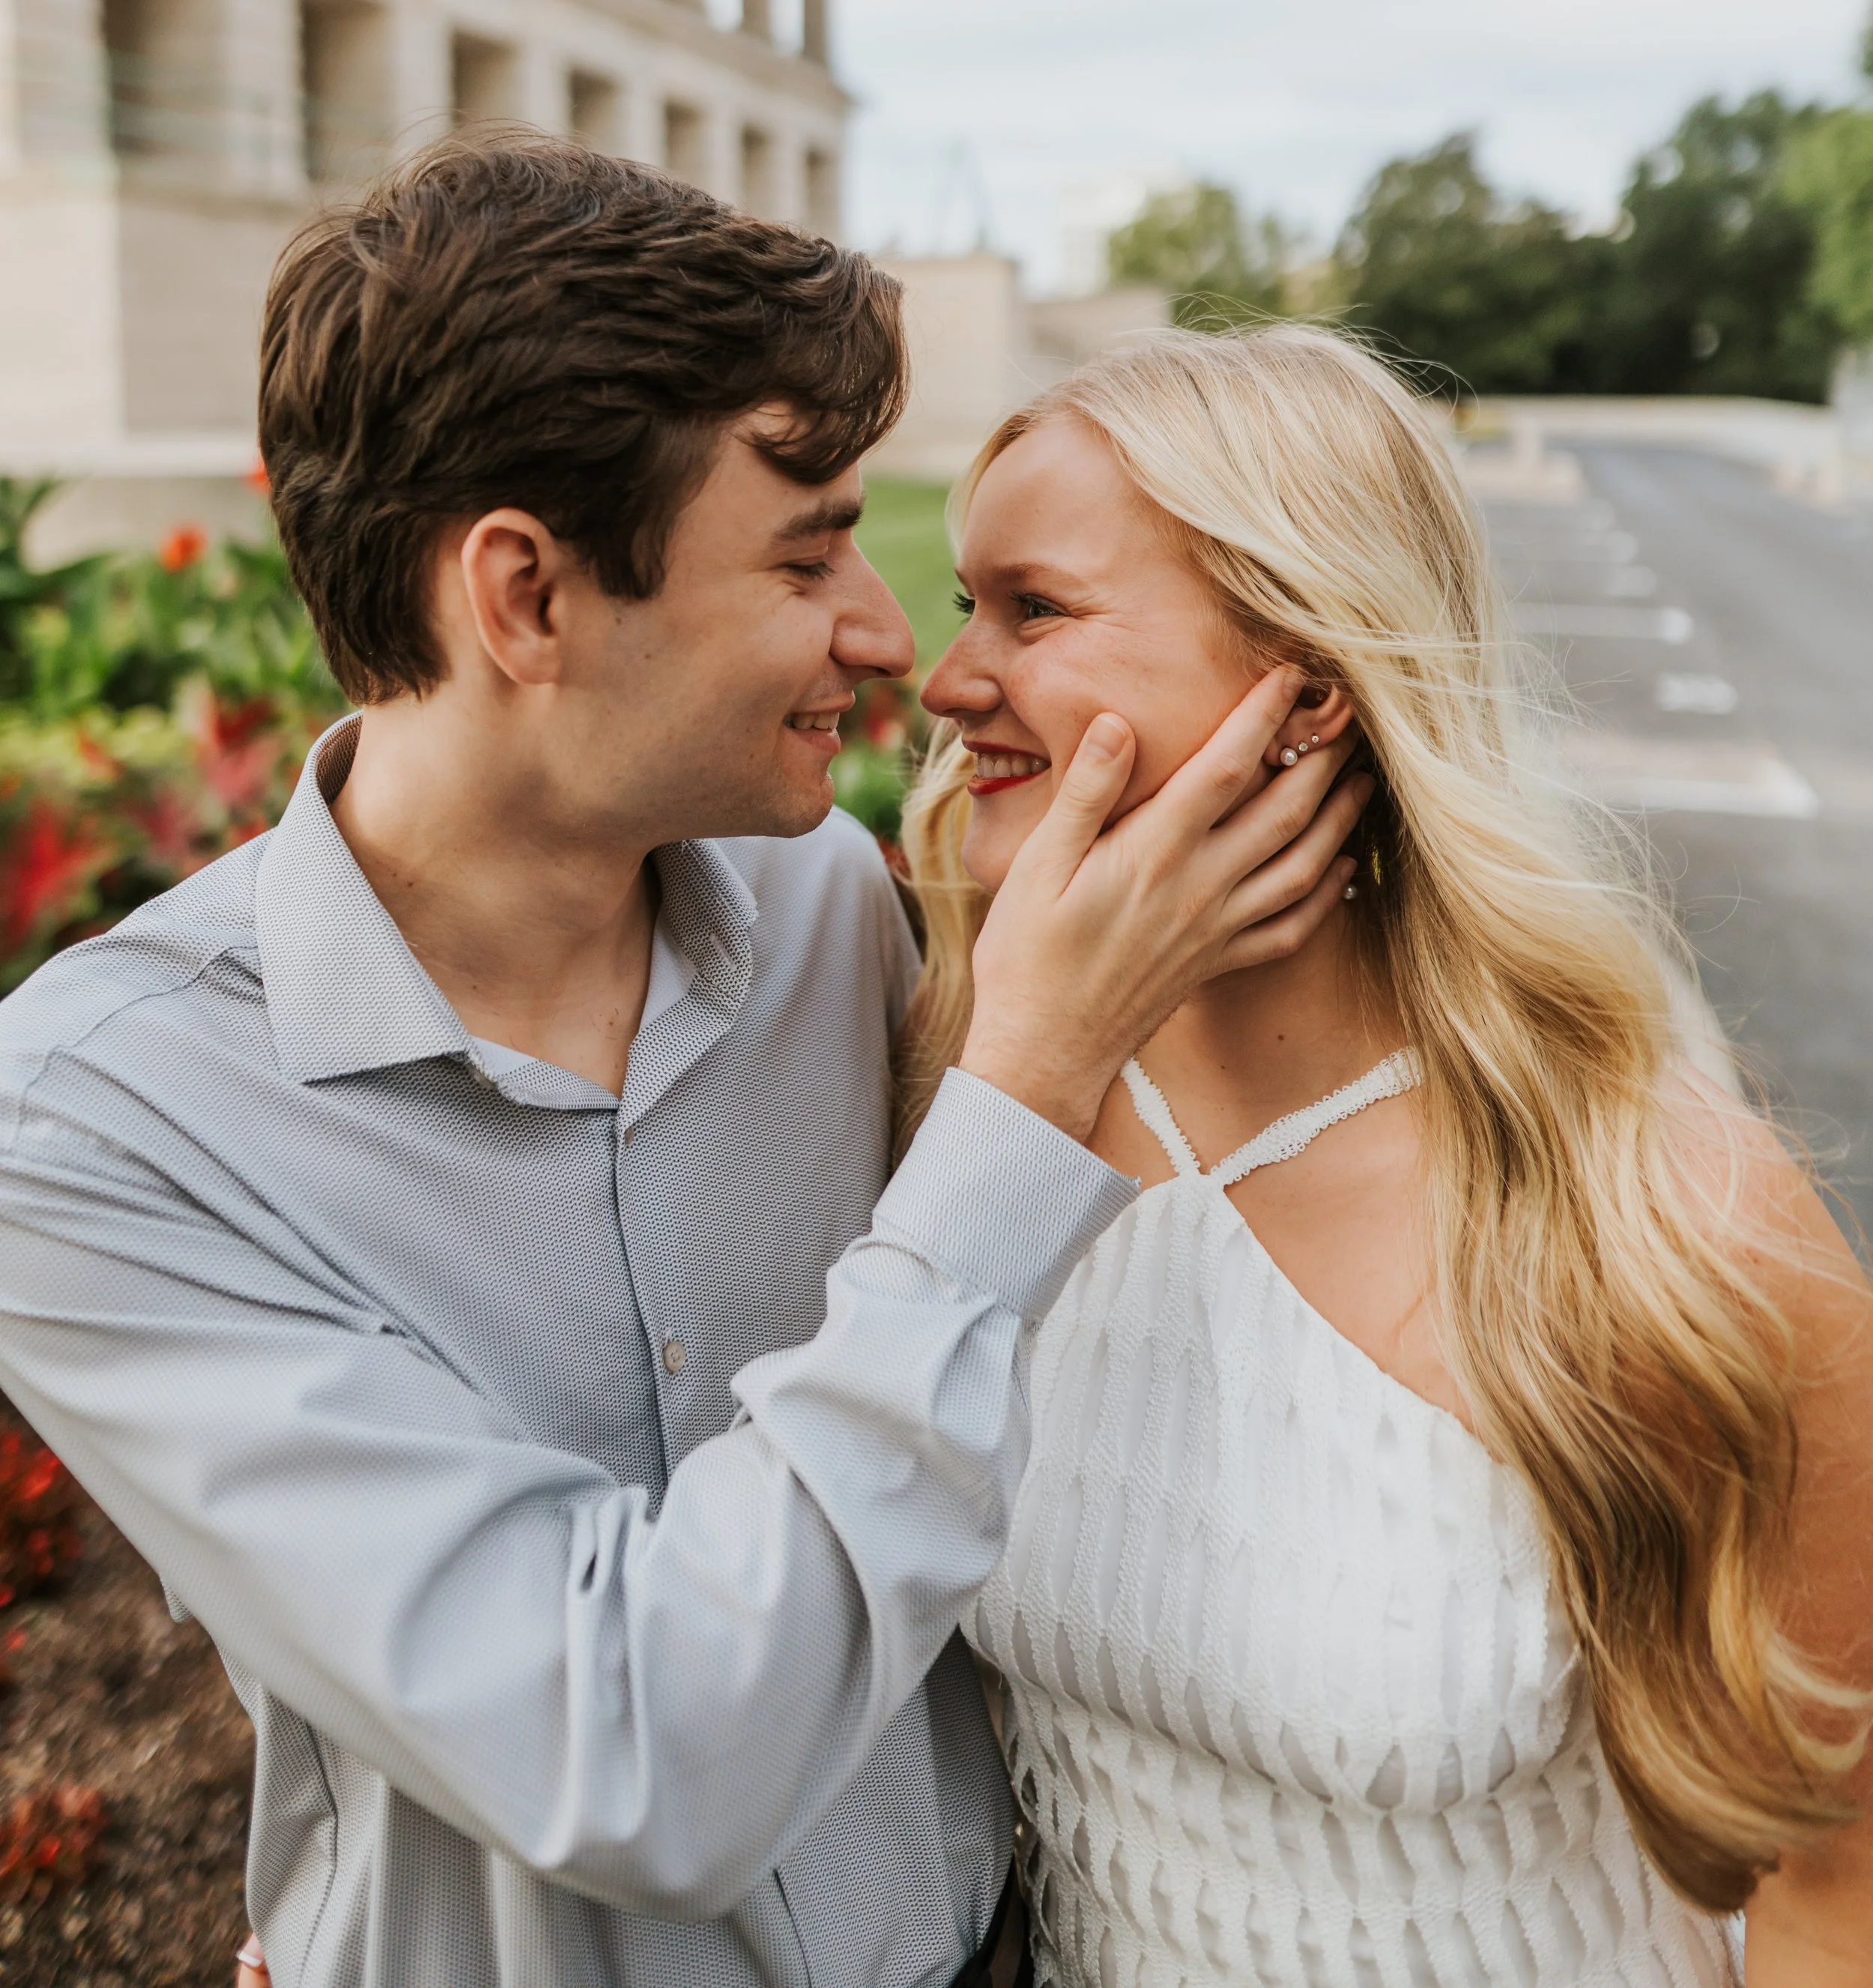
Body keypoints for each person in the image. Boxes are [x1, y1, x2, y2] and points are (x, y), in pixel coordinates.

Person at [0, 139, 1368, 1988]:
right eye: (809, 555)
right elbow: (629, 1754)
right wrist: (1024, 1087)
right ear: (524, 599)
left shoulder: (832, 909)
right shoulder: (100, 1130)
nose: (888, 641)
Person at [901, 323, 1873, 1988]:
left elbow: (1835, 1871)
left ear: (1304, 686)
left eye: (1033, 610)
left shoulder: (1654, 1215)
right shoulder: (955, 1088)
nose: (943, 679)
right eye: (963, 603)